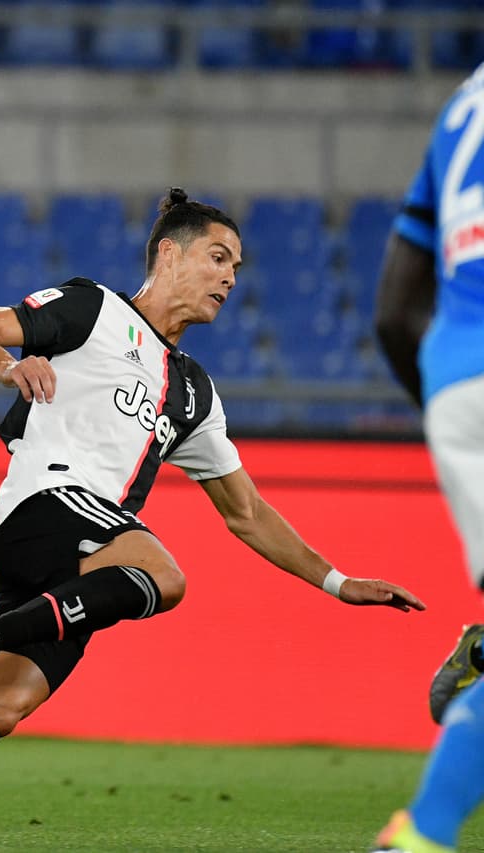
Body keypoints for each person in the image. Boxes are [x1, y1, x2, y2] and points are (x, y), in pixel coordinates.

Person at [0, 188, 424, 810]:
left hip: (74, 563)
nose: (230, 278)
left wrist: (337, 582)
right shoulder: (93, 310)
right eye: (218, 258)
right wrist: (7, 368)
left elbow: (246, 512)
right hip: (45, 503)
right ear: (170, 255)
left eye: (237, 268)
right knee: (162, 575)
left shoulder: (194, 391)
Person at [370, 62, 484, 853]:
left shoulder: (461, 104)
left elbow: (391, 310)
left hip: (455, 379)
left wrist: (450, 409)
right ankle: (423, 833)